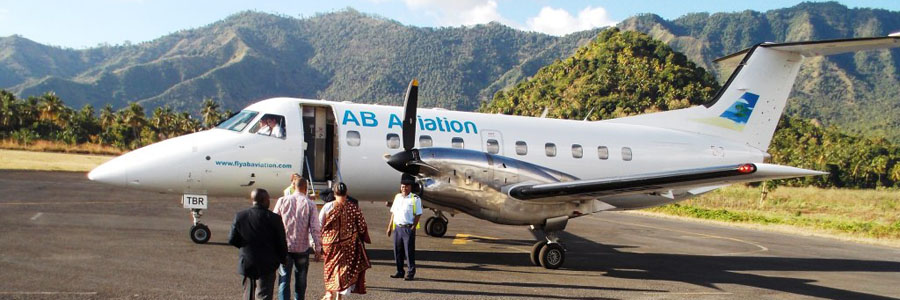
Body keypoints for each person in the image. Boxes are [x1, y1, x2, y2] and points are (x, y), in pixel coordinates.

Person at [229, 188, 288, 300]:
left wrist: (245, 247)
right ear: (264, 200)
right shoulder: (274, 219)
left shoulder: (240, 216)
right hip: (267, 264)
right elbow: (281, 242)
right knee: (264, 294)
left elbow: (232, 239)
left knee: (248, 294)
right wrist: (282, 259)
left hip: (247, 262)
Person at [273, 175, 323, 300]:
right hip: (302, 248)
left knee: (284, 279)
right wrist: (318, 248)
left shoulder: (282, 201)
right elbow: (315, 228)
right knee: (301, 280)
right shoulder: (310, 204)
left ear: (293, 186)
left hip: (285, 247)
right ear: (305, 188)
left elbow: (273, 223)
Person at [319, 182, 371, 300]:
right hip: (348, 245)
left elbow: (319, 224)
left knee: (331, 270)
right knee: (344, 271)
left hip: (330, 244)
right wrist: (362, 237)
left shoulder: (328, 206)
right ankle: (338, 297)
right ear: (346, 193)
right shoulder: (353, 207)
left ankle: (329, 293)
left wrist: (318, 242)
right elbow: (362, 226)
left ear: (334, 193)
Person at [386, 174, 422, 281]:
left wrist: (414, 227)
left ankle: (410, 272)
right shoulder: (397, 197)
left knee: (408, 252)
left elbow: (418, 214)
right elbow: (393, 213)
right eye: (402, 186)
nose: (404, 188)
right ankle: (400, 271)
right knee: (397, 251)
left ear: (410, 187)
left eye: (406, 186)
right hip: (397, 228)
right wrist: (389, 227)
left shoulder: (415, 199)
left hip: (408, 228)